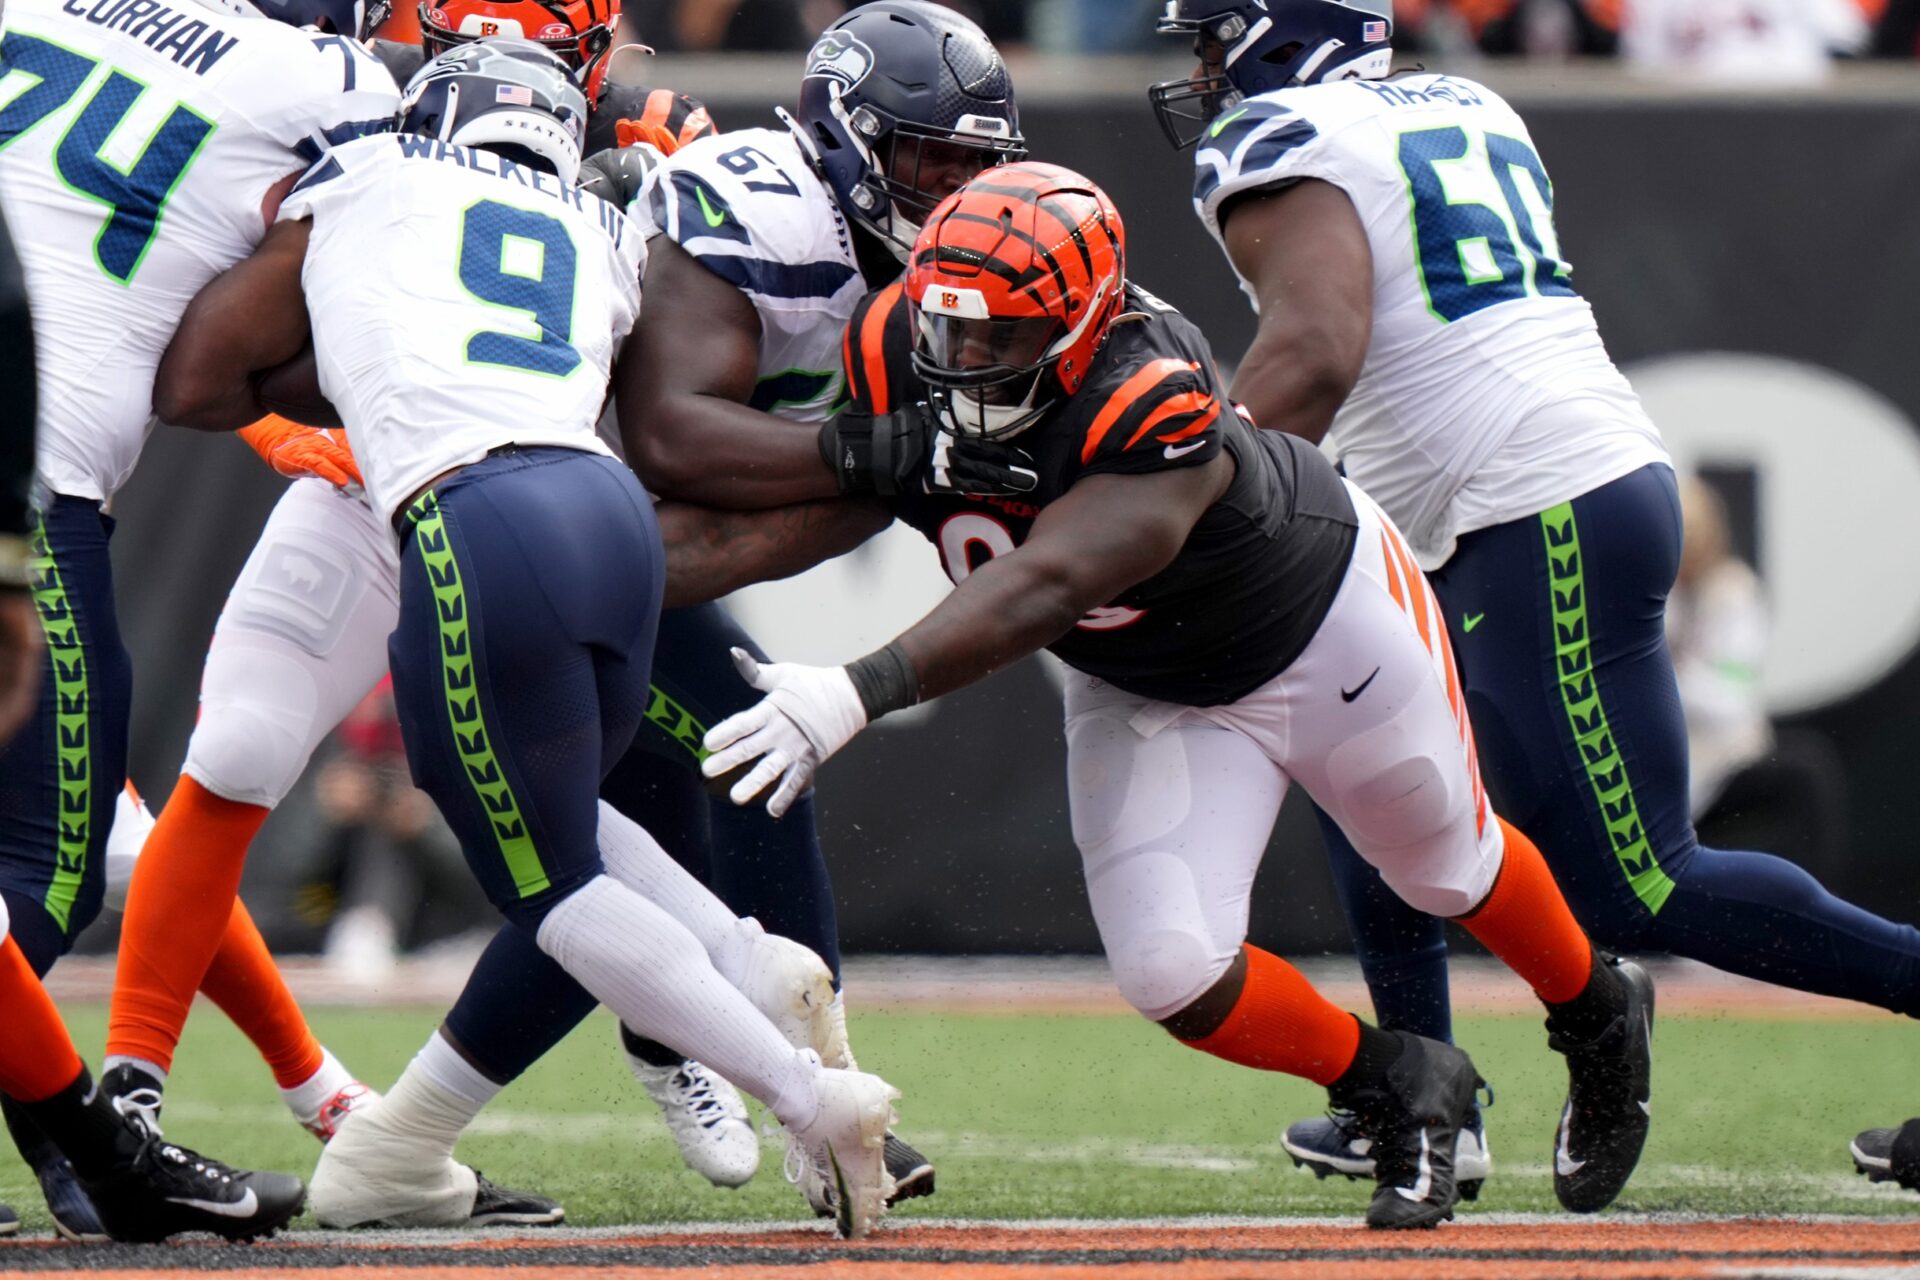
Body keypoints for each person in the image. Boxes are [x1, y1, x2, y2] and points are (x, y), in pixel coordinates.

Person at [654, 161, 1654, 1230]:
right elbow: (827, 503)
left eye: (1005, 336)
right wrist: (617, 577)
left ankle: (1598, 1009)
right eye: (955, 329)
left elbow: (1053, 579)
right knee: (1175, 970)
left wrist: (856, 689)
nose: (968, 358)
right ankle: (1398, 1080)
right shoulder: (902, 337)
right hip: (1147, 681)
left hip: (1317, 625)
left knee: (1445, 863)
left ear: (1087, 324)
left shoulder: (1152, 388)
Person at [1145, 0, 1920, 1204]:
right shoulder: (1466, 99)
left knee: (1639, 883)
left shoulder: (1283, 133)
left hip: (1530, 501)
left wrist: (1187, 494)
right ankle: (1424, 1097)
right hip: (1477, 499)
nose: (1200, 70)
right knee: (1368, 780)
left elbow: (1318, 347)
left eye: (1214, 38)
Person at [151, 38, 905, 1240]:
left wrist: (329, 355)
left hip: (471, 517)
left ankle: (806, 1088)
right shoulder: (603, 226)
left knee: (546, 872)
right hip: (609, 517)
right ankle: (741, 962)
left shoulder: (372, 174)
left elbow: (196, 378)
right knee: (569, 818)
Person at [0, 0, 418, 1238]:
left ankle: (111, 1146)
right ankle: (103, 1149)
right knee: (46, 866)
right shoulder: (321, 78)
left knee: (115, 824)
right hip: (34, 481)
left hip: (46, 450)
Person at [618, 0, 1034, 1210]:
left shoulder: (934, 256)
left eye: (975, 164)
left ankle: (779, 1079)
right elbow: (668, 429)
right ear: (846, 136)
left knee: (701, 807)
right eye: (929, 159)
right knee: (581, 881)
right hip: (536, 519)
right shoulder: (760, 206)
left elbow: (868, 494)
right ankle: (807, 1094)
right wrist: (871, 453)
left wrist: (885, 465)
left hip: (631, 552)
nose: (954, 189)